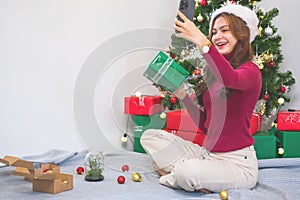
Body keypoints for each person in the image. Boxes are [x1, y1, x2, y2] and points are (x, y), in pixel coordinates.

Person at [140, 4, 262, 193]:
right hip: (206, 155)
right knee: (150, 137)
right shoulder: (212, 75)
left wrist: (201, 40)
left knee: (188, 171)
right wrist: (183, 96)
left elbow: (230, 77)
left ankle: (178, 175)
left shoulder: (250, 71)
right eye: (214, 32)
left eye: (224, 30)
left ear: (241, 35)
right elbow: (205, 124)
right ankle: (195, 175)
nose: (217, 36)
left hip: (237, 164)